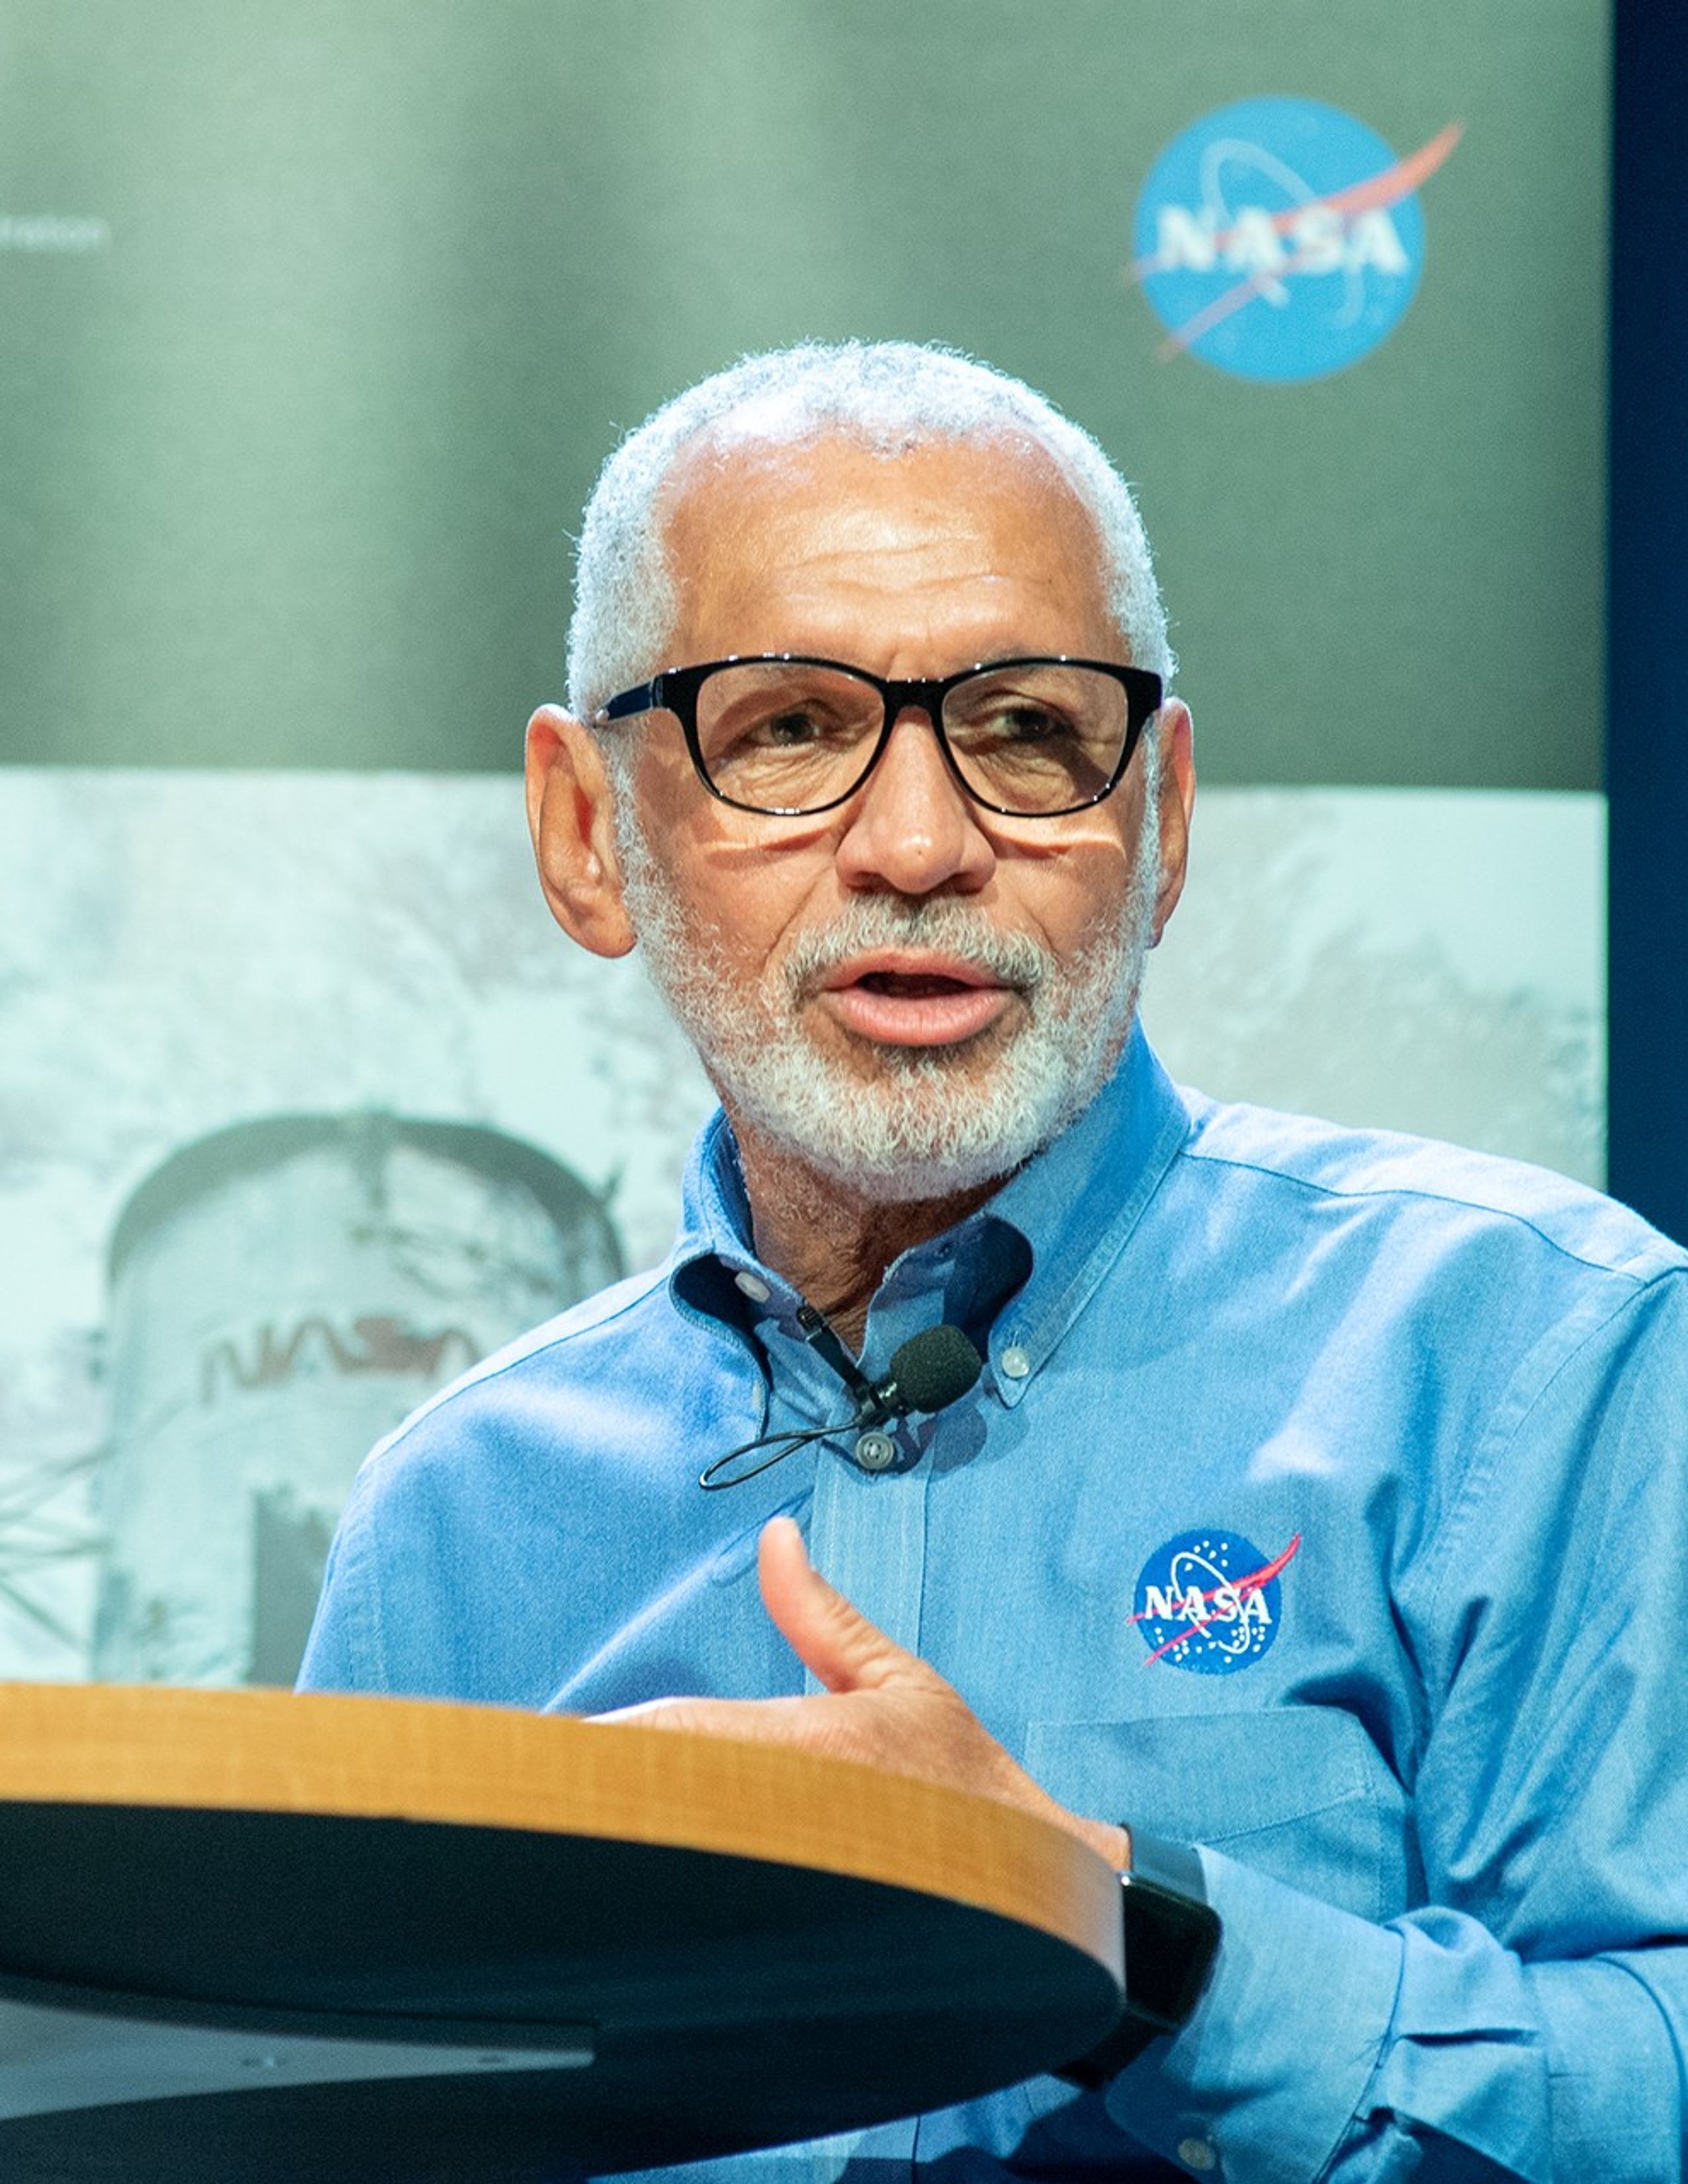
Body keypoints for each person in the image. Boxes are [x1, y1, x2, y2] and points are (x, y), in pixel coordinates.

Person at [300, 341, 1688, 2181]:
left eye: (1028, 729)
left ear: (1161, 820)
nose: (920, 843)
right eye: (788, 729)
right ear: (589, 835)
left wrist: (1102, 1924)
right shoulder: (453, 1524)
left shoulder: (1537, 1357)